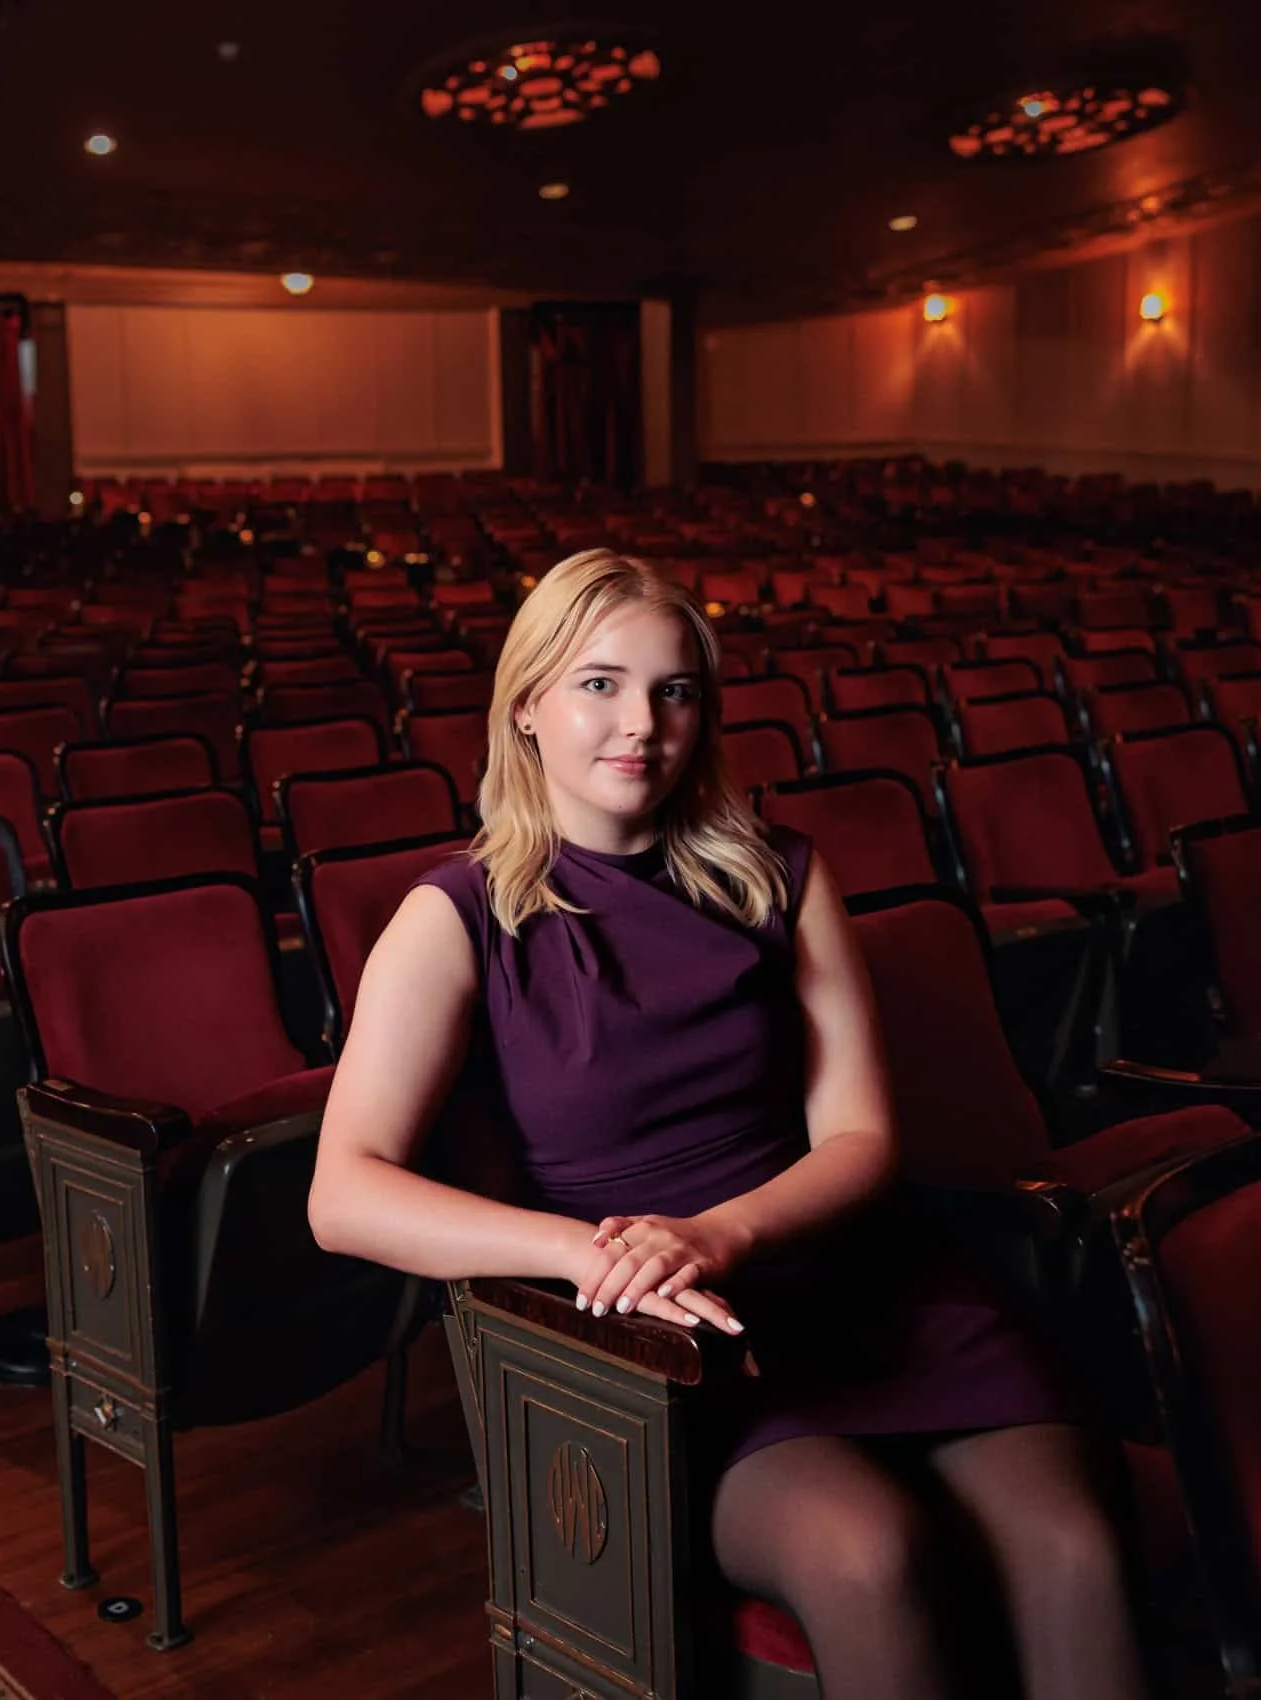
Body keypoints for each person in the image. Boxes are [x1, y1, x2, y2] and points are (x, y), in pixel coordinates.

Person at [308, 548, 1150, 1700]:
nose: (641, 722)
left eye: (675, 689)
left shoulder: (781, 876)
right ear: (526, 707)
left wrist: (719, 1231)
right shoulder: (454, 916)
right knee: (871, 1552)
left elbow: (859, 1137)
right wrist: (590, 1249)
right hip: (664, 1334)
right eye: (599, 683)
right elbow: (341, 1193)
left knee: (1078, 1548)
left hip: (856, 1274)